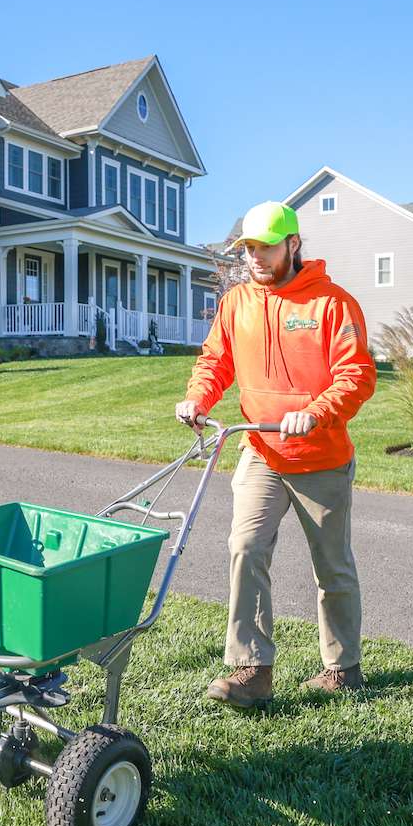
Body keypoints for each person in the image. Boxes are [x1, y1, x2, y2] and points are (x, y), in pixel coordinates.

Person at [174, 201, 377, 708]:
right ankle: (252, 668)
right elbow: (215, 361)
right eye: (248, 248)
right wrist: (198, 399)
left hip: (320, 457)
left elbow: (356, 376)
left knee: (332, 567)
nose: (256, 257)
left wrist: (317, 410)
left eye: (266, 246)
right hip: (261, 450)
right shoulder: (237, 302)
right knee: (245, 548)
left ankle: (342, 669)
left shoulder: (332, 303)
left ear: (294, 244)